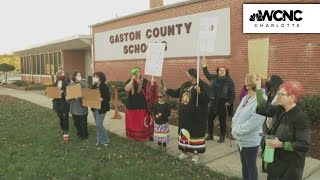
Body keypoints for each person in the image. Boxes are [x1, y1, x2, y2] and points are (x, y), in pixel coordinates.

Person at [254, 75, 311, 180]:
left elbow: (304, 144)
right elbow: (264, 107)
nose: (278, 96)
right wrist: (258, 87)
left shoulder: (300, 118)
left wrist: (281, 144)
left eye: (281, 94)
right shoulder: (280, 109)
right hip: (275, 163)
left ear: (292, 98)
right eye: (278, 93)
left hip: (290, 168)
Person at [164, 68, 211, 163]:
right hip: (184, 116)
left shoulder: (202, 85)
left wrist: (200, 93)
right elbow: (177, 93)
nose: (186, 77)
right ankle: (184, 151)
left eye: (188, 75)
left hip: (196, 117)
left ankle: (196, 154)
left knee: (195, 134)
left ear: (193, 75)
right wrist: (167, 90)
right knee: (184, 133)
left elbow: (207, 100)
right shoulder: (186, 85)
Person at [231, 74, 266, 180]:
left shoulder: (261, 100)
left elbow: (254, 123)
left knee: (251, 166)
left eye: (247, 80)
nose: (245, 83)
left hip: (251, 140)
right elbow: (237, 114)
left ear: (252, 84)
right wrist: (234, 125)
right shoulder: (246, 97)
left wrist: (237, 130)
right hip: (240, 138)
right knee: (244, 165)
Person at [202, 57, 235, 143]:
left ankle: (222, 136)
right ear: (218, 71)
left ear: (226, 72)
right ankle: (210, 134)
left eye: (223, 70)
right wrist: (204, 65)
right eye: (220, 70)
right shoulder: (214, 78)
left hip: (223, 103)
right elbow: (207, 74)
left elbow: (232, 93)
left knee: (222, 120)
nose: (222, 71)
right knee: (209, 118)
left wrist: (229, 102)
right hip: (213, 102)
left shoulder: (229, 81)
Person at [124, 67, 157, 141]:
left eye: (138, 71)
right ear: (132, 73)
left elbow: (150, 92)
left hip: (144, 106)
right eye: (135, 72)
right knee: (135, 123)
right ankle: (136, 136)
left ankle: (149, 135)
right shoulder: (129, 81)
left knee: (146, 122)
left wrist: (152, 84)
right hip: (132, 105)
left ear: (140, 72)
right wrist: (132, 79)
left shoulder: (145, 81)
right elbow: (127, 89)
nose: (137, 73)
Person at [91, 71, 111, 146]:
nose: (95, 78)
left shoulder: (104, 86)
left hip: (102, 108)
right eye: (94, 76)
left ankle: (105, 140)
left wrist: (102, 99)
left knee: (99, 125)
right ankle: (99, 139)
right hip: (94, 107)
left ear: (101, 78)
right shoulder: (94, 86)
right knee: (97, 125)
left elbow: (108, 98)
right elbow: (90, 94)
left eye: (97, 76)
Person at [68, 70, 89, 140]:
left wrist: (83, 96)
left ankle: (85, 135)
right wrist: (72, 96)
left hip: (82, 107)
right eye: (77, 75)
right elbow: (67, 98)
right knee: (76, 123)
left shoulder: (85, 85)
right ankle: (79, 134)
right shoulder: (70, 85)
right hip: (74, 108)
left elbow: (88, 95)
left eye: (80, 75)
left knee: (83, 123)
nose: (79, 76)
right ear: (74, 76)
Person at [52, 70, 70, 140]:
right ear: (57, 75)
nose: (62, 75)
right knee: (60, 117)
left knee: (65, 117)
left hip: (64, 103)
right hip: (57, 103)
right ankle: (62, 129)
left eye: (63, 74)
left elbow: (68, 92)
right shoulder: (55, 84)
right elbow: (52, 93)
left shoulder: (66, 83)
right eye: (61, 74)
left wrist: (63, 92)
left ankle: (66, 131)